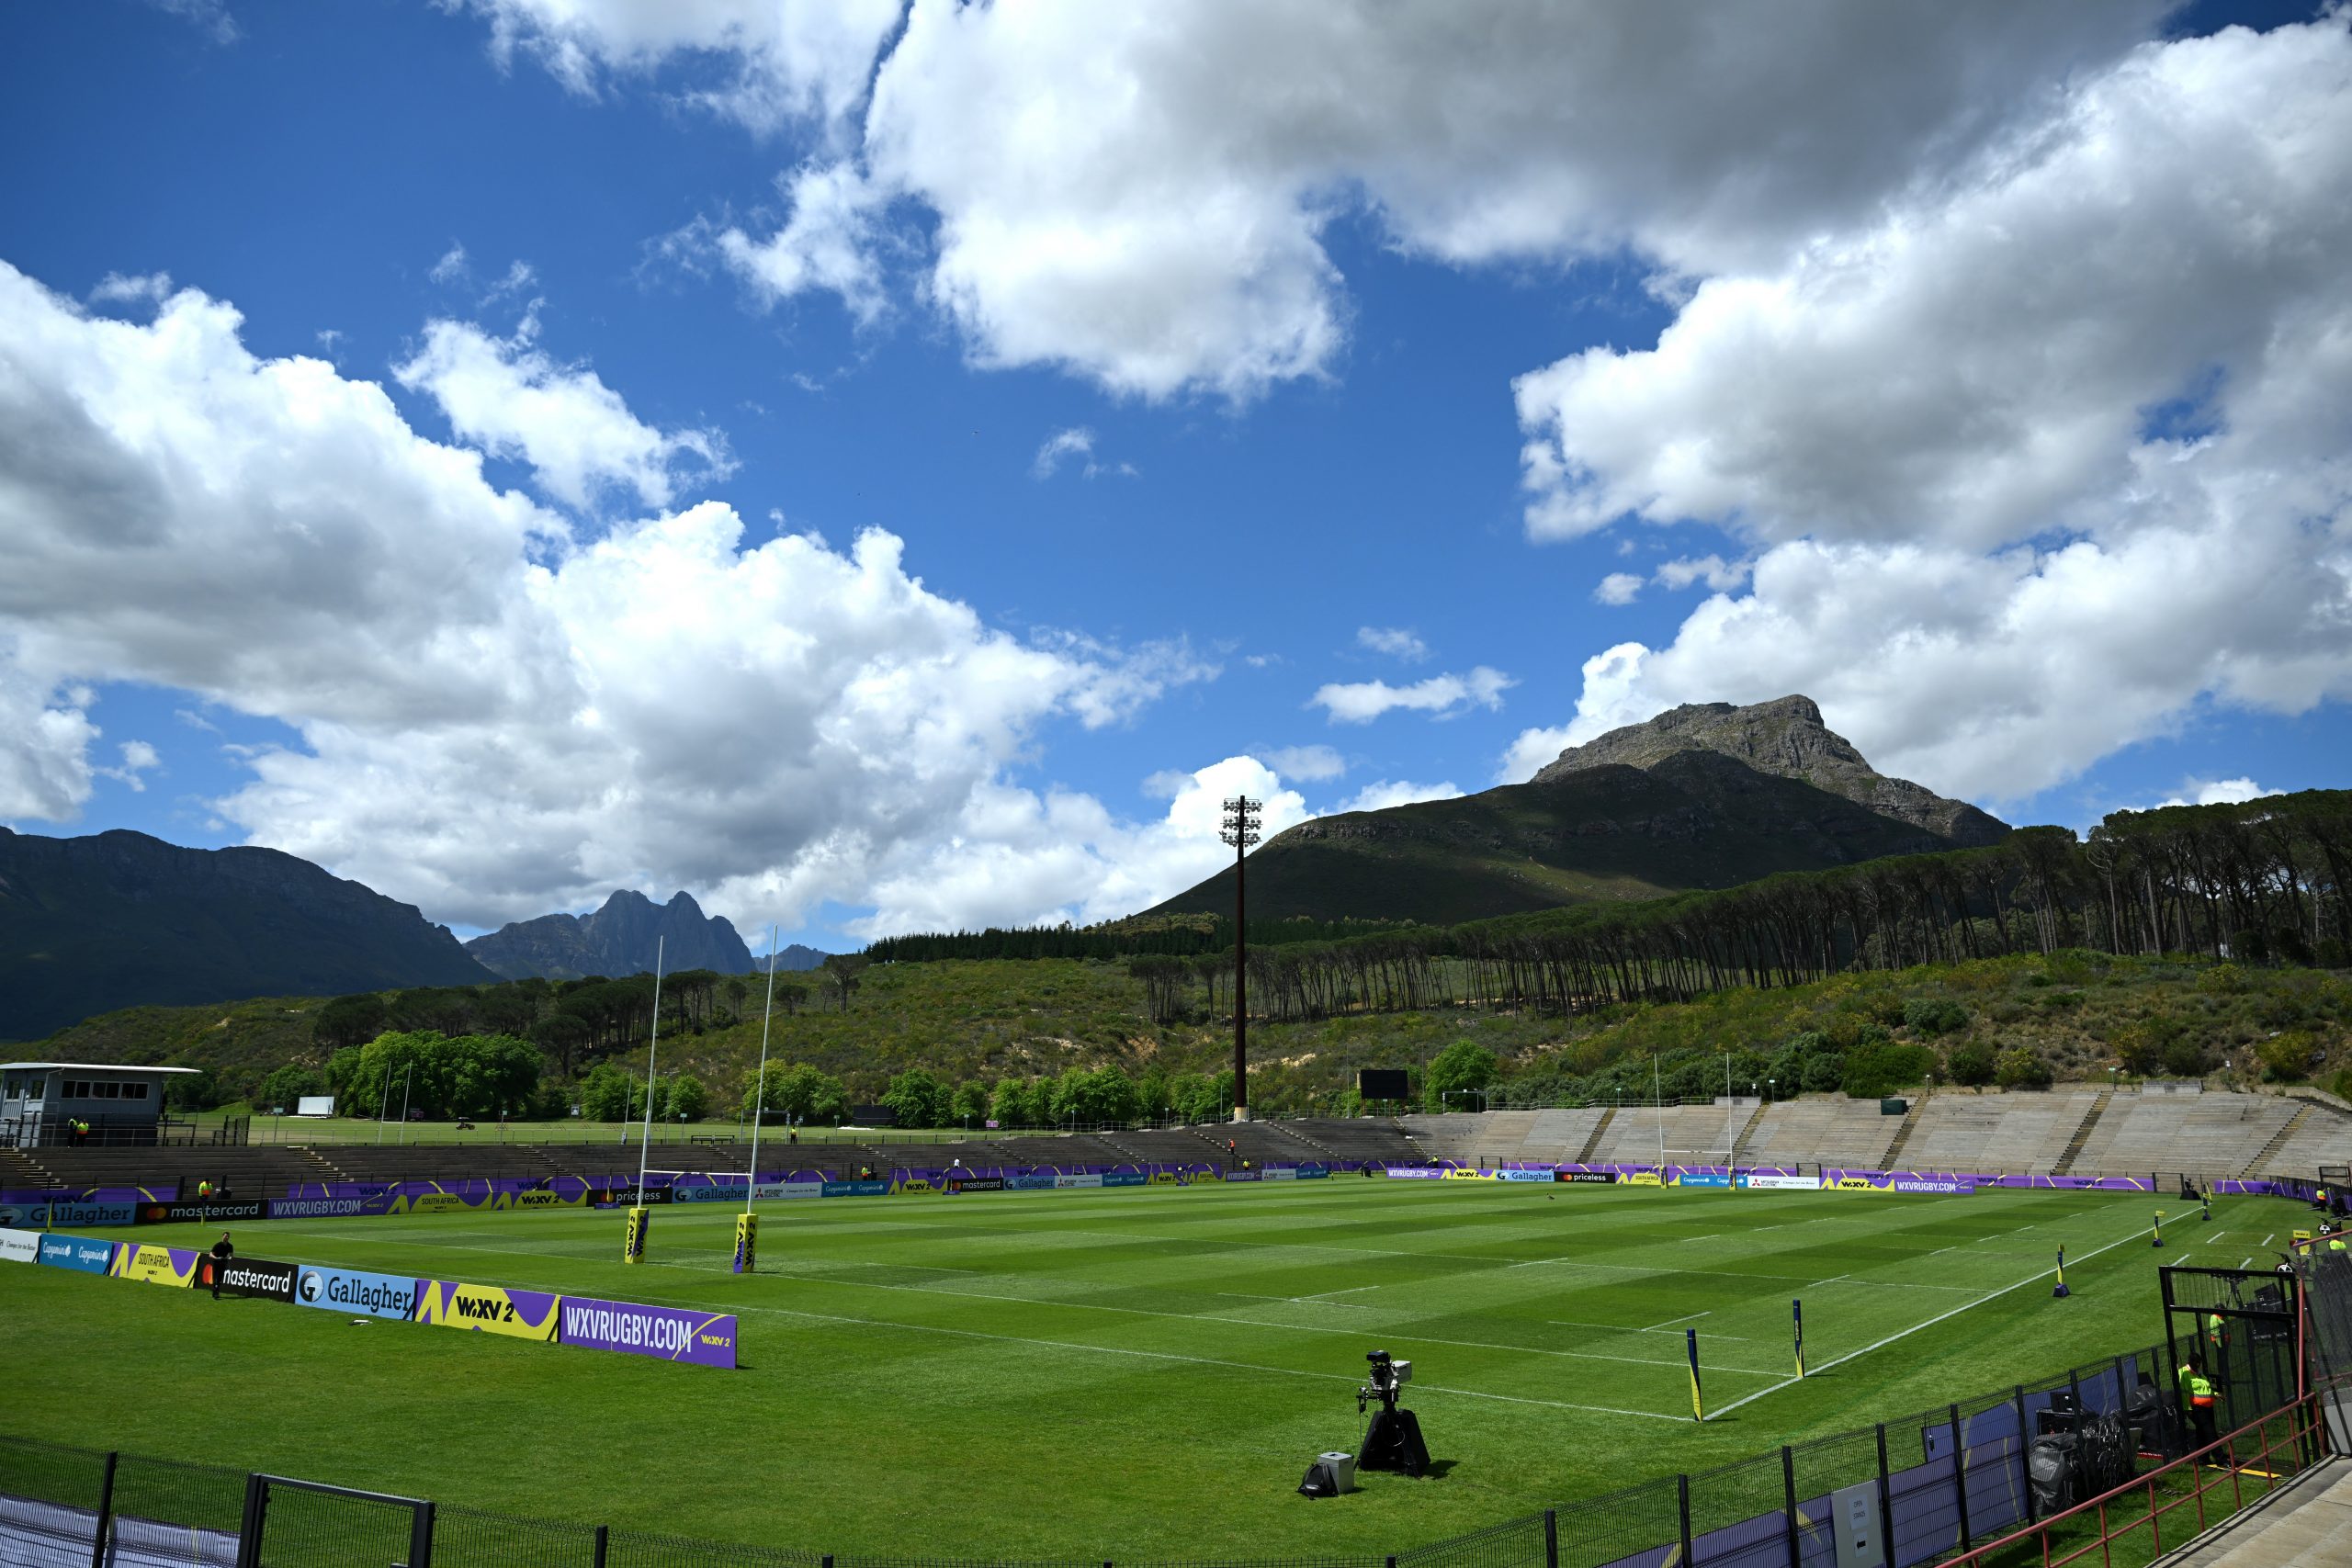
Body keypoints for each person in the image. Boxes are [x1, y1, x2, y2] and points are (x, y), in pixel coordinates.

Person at [2183, 1353, 2221, 1454]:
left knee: (2202, 1432)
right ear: (2190, 1362)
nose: (2198, 1365)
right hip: (2197, 1408)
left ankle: (2203, 1457)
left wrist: (2216, 1394)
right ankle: (2219, 1457)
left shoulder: (2200, 1374)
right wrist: (2188, 1408)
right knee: (2211, 1432)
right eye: (2195, 1363)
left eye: (2199, 1363)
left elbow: (2206, 1389)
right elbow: (2183, 1393)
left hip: (2208, 1407)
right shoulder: (2184, 1374)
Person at [208, 1231, 234, 1300]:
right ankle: (216, 1293)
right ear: (222, 1236)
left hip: (223, 1263)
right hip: (216, 1263)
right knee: (215, 1279)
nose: (227, 1238)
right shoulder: (217, 1245)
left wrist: (229, 1258)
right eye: (226, 1236)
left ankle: (216, 1293)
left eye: (228, 1236)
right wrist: (216, 1258)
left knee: (219, 1279)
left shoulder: (230, 1246)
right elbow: (210, 1254)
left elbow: (231, 1255)